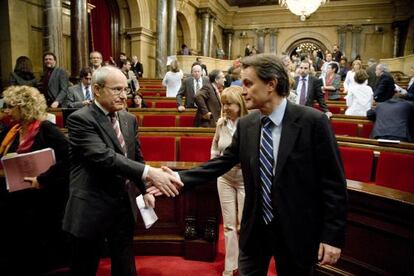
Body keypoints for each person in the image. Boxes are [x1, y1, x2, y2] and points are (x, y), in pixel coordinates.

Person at [153, 54, 347, 275]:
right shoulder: (247, 124)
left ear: (271, 84)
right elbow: (221, 163)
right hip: (255, 229)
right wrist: (179, 178)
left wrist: (332, 236)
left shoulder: (313, 122)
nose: (242, 90)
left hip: (297, 230)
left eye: (248, 83)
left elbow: (334, 184)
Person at [62, 66, 183, 276]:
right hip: (91, 205)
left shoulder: (129, 119)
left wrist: (145, 189)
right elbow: (104, 157)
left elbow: (135, 157)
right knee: (84, 266)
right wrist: (150, 173)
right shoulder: (80, 119)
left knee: (125, 264)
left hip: (122, 205)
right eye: (117, 89)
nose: (124, 95)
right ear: (97, 90)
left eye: (125, 89)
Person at [0, 85, 70, 274]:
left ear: (24, 107)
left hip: (41, 200)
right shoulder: (12, 130)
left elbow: (69, 157)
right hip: (16, 197)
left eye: (11, 106)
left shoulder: (46, 128)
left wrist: (43, 179)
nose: (7, 111)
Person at [210, 86, 248, 276]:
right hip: (224, 177)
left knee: (243, 224)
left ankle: (243, 265)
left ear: (239, 104)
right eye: (223, 103)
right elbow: (215, 146)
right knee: (229, 225)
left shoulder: (249, 124)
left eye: (229, 104)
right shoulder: (221, 123)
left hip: (244, 179)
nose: (224, 107)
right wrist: (214, 163)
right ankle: (229, 266)